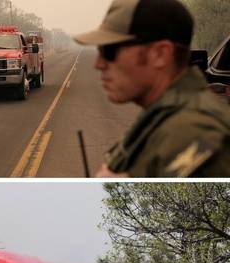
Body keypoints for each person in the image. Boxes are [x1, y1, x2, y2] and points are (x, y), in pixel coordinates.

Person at [74, 0, 230, 177]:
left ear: (160, 54)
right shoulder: (164, 115)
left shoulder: (193, 129)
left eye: (110, 51)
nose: (99, 64)